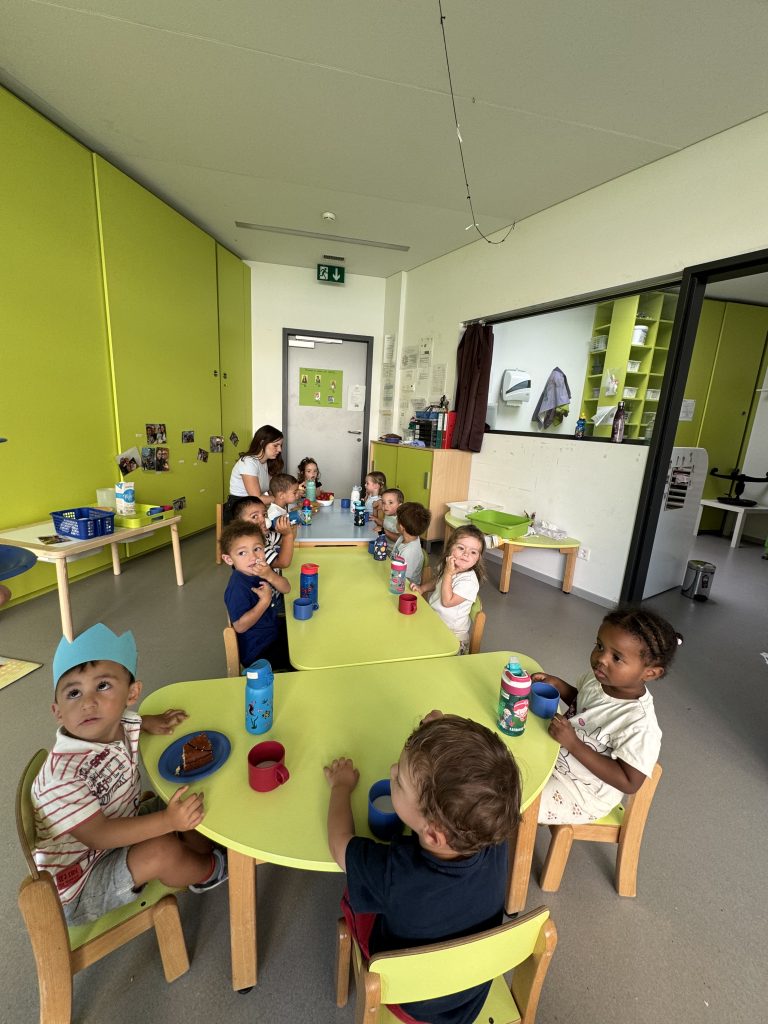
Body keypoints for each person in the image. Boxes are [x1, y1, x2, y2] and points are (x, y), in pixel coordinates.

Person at [324, 712, 521, 1024]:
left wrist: (341, 787)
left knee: (354, 889)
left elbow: (339, 845)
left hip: (412, 1002)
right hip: (472, 992)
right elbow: (474, 778)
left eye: (399, 782)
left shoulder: (395, 874)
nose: (392, 770)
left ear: (432, 835)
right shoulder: (491, 832)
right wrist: (438, 737)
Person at [31, 624, 227, 927]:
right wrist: (168, 823)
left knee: (185, 799)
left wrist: (150, 721)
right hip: (80, 884)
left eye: (103, 686)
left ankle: (200, 850)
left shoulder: (116, 724)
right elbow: (99, 835)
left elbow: (127, 721)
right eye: (73, 692)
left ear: (131, 693)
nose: (87, 703)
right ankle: (211, 870)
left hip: (115, 831)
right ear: (57, 711)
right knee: (163, 850)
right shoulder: (61, 778)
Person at [533, 607, 682, 824]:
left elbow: (629, 782)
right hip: (554, 761)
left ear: (650, 673)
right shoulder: (599, 680)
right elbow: (585, 705)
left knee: (515, 800)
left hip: (581, 794)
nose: (601, 659)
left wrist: (573, 743)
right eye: (600, 646)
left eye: (617, 657)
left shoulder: (639, 725)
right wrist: (558, 685)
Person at [220, 522, 291, 670]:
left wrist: (270, 575)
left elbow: (286, 588)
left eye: (257, 549)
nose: (253, 557)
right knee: (299, 657)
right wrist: (265, 601)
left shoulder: (261, 570)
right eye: (242, 553)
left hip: (272, 630)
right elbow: (240, 626)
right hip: (259, 650)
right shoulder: (237, 588)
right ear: (229, 559)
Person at [411, 525, 486, 653]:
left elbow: (447, 602)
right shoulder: (448, 566)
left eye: (473, 552)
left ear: (478, 558)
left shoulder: (469, 582)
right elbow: (438, 581)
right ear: (450, 548)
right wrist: (422, 588)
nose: (466, 554)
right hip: (435, 623)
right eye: (461, 548)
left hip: (453, 638)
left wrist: (448, 574)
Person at [224, 425, 284, 523]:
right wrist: (281, 497)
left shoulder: (266, 463)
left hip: (254, 509)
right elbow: (257, 498)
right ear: (262, 443)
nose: (280, 449)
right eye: (275, 445)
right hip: (238, 512)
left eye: (280, 445)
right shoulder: (248, 462)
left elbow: (271, 492)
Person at [391, 502, 431, 584]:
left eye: (397, 520)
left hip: (404, 585)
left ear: (401, 527)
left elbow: (402, 579)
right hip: (394, 574)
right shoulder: (405, 537)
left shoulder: (409, 552)